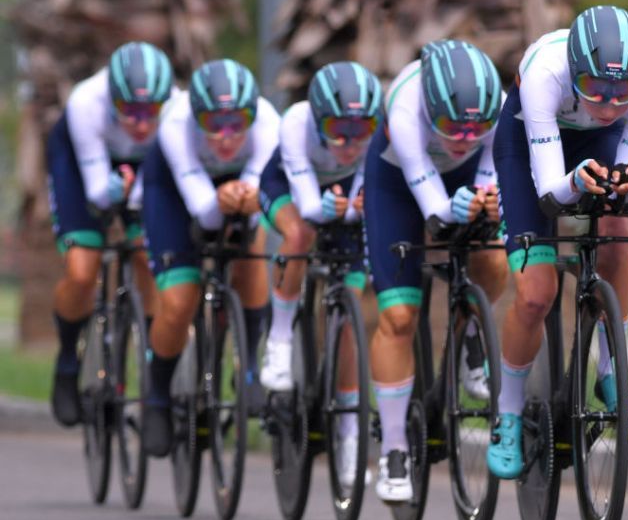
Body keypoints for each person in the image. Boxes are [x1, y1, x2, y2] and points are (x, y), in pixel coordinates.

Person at [487, 6, 628, 479]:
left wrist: (624, 188)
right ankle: (505, 414)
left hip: (596, 145)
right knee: (535, 295)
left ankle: (611, 371)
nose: (608, 103)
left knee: (618, 229)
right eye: (595, 90)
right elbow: (549, 194)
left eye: (622, 92)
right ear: (574, 72)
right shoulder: (545, 74)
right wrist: (577, 182)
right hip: (530, 148)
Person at [364, 40, 508, 502]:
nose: (465, 136)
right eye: (451, 125)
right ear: (430, 108)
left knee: (492, 257)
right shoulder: (404, 107)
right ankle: (393, 449)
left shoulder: (499, 109)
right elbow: (433, 208)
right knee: (400, 316)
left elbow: (491, 169)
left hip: (463, 180)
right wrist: (454, 209)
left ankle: (470, 341)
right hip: (400, 186)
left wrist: (485, 197)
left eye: (476, 127)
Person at [140, 59, 279, 457]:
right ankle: (158, 395)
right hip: (176, 193)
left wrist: (246, 198)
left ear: (252, 115)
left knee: (252, 255)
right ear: (195, 116)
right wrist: (223, 201)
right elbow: (204, 210)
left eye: (237, 123)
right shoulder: (174, 123)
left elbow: (257, 192)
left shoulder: (269, 122)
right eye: (213, 123)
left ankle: (248, 365)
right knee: (179, 300)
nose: (225, 135)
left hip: (236, 189)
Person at [258, 61, 380, 487]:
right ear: (316, 119)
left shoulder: (376, 134)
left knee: (348, 327)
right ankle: (278, 339)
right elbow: (309, 204)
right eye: (337, 131)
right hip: (292, 190)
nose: (348, 143)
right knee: (299, 233)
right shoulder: (296, 123)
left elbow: (370, 183)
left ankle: (349, 438)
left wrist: (358, 201)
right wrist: (331, 207)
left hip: (345, 199)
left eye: (359, 131)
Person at [47, 41, 172, 426]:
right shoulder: (87, 102)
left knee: (147, 258)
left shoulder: (178, 109)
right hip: (85, 164)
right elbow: (98, 190)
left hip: (141, 168)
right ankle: (69, 359)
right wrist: (116, 192)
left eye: (150, 111)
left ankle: (152, 369)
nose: (140, 122)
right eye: (129, 110)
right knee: (83, 270)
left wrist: (136, 196)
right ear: (111, 99)